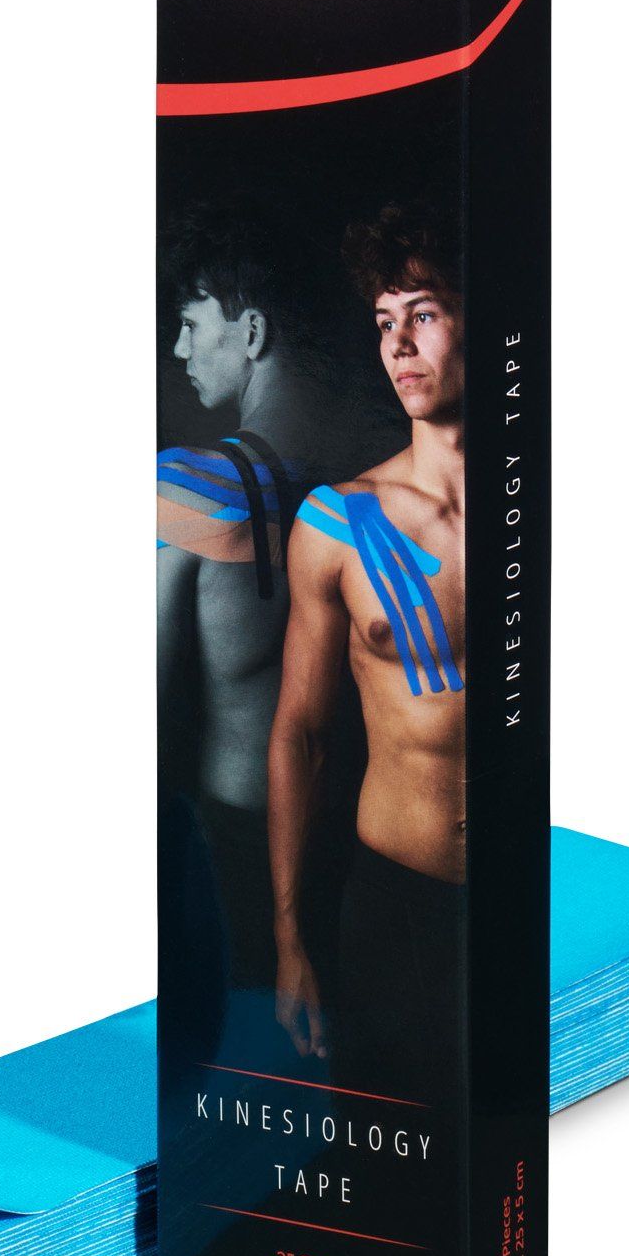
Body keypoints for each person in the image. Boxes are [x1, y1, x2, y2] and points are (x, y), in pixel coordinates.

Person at [266, 203, 467, 1101]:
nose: (399, 346)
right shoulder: (339, 522)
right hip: (397, 905)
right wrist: (289, 939)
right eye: (385, 323)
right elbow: (299, 734)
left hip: (539, 896)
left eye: (423, 314)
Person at [157, 199, 336, 989]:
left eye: (191, 324)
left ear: (252, 332)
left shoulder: (187, 489)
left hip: (234, 853)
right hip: (355, 846)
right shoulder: (369, 483)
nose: (179, 348)